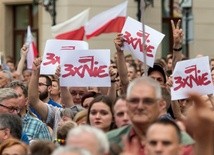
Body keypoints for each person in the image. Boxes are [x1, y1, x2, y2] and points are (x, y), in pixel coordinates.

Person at [107, 77, 194, 155]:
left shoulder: (182, 141)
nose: (140, 107)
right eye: (134, 101)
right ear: (127, 104)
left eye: (147, 101)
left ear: (161, 105)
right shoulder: (109, 141)